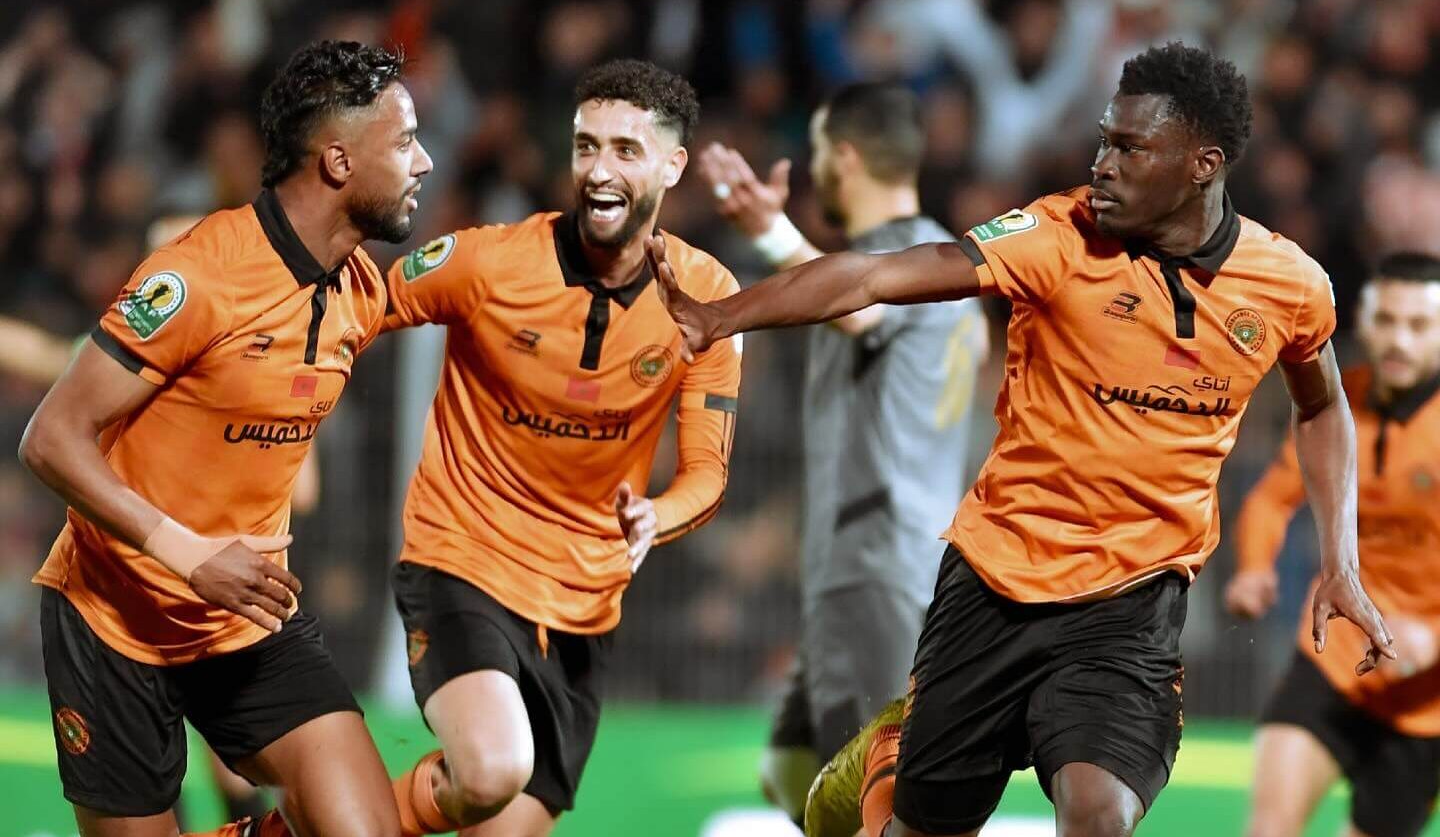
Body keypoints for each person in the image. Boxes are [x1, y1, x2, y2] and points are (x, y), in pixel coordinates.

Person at [647, 41, 1394, 837]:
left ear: (1202, 164)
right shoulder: (1059, 235)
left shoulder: (1288, 285)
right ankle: (889, 762)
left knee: (1099, 816)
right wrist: (722, 316)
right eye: (1104, 140)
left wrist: (1339, 559)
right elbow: (874, 276)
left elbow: (1322, 407)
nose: (1103, 164)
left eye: (1130, 148)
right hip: (995, 581)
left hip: (1131, 603)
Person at [21, 39, 432, 837]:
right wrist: (188, 553)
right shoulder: (199, 274)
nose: (424, 162)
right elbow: (51, 437)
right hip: (112, 617)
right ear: (339, 162)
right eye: (405, 142)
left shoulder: (361, 291)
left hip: (245, 616)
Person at [383, 59, 741, 837]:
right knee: (491, 767)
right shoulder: (487, 262)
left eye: (625, 150)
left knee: (499, 820)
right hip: (462, 559)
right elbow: (357, 306)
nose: (599, 170)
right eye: (586, 146)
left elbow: (708, 474)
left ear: (673, 166)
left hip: (583, 606)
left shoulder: (706, 297)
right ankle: (323, 820)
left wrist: (656, 515)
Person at [694, 82, 987, 824]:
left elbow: (859, 306)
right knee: (792, 772)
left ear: (846, 158)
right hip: (889, 555)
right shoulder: (947, 266)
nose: (813, 167)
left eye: (819, 150)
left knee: (872, 799)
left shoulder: (897, 263)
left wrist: (770, 233)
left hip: (874, 560)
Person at [1227, 252, 1440, 837]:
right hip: (1334, 661)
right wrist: (1253, 568)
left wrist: (1433, 636)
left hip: (1426, 704)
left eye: (1418, 325)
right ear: (1363, 322)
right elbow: (1272, 498)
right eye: (1387, 320)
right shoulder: (1336, 402)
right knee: (1267, 830)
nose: (1399, 340)